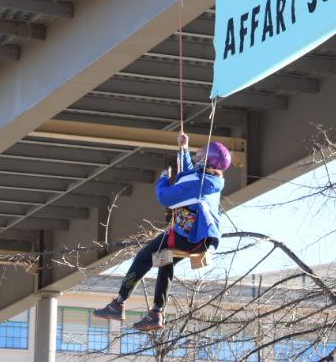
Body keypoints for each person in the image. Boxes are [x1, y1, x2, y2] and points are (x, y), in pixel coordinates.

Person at [92, 133, 231, 332]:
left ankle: (118, 304)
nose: (197, 154)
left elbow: (166, 198)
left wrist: (164, 179)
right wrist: (183, 149)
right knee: (164, 260)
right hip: (199, 239)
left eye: (200, 153)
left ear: (206, 160)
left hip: (187, 238)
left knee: (143, 257)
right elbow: (189, 174)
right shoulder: (209, 180)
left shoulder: (198, 185)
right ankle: (156, 312)